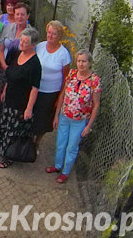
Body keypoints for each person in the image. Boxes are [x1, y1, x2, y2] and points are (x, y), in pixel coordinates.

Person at [47, 50, 101, 184]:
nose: (81, 64)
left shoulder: (94, 80)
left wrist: (89, 126)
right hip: (65, 116)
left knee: (72, 147)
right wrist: (57, 115)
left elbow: (96, 105)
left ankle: (65, 172)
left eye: (84, 61)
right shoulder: (71, 74)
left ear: (89, 63)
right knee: (60, 143)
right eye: (79, 61)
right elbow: (63, 95)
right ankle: (58, 165)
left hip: (79, 121)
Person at [0, 27, 41, 169]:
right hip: (10, 98)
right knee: (5, 125)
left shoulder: (35, 65)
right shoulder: (16, 54)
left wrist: (29, 108)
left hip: (21, 103)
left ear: (33, 45)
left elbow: (34, 88)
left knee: (14, 130)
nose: (22, 43)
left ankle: (9, 156)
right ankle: (2, 148)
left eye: (26, 42)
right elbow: (11, 75)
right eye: (21, 40)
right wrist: (5, 90)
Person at [0, 1, 32, 131]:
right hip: (5, 67)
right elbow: (0, 48)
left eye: (22, 14)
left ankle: (6, 127)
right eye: (17, 14)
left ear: (27, 16)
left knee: (11, 98)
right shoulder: (7, 28)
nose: (20, 17)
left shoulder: (31, 33)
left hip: (20, 72)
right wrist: (4, 65)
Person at [32, 21, 72, 148]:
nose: (50, 36)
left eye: (54, 34)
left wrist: (60, 97)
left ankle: (37, 142)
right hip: (35, 88)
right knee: (30, 114)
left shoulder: (64, 54)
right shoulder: (40, 46)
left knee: (43, 119)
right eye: (49, 32)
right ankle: (27, 139)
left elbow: (66, 78)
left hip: (50, 92)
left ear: (59, 36)